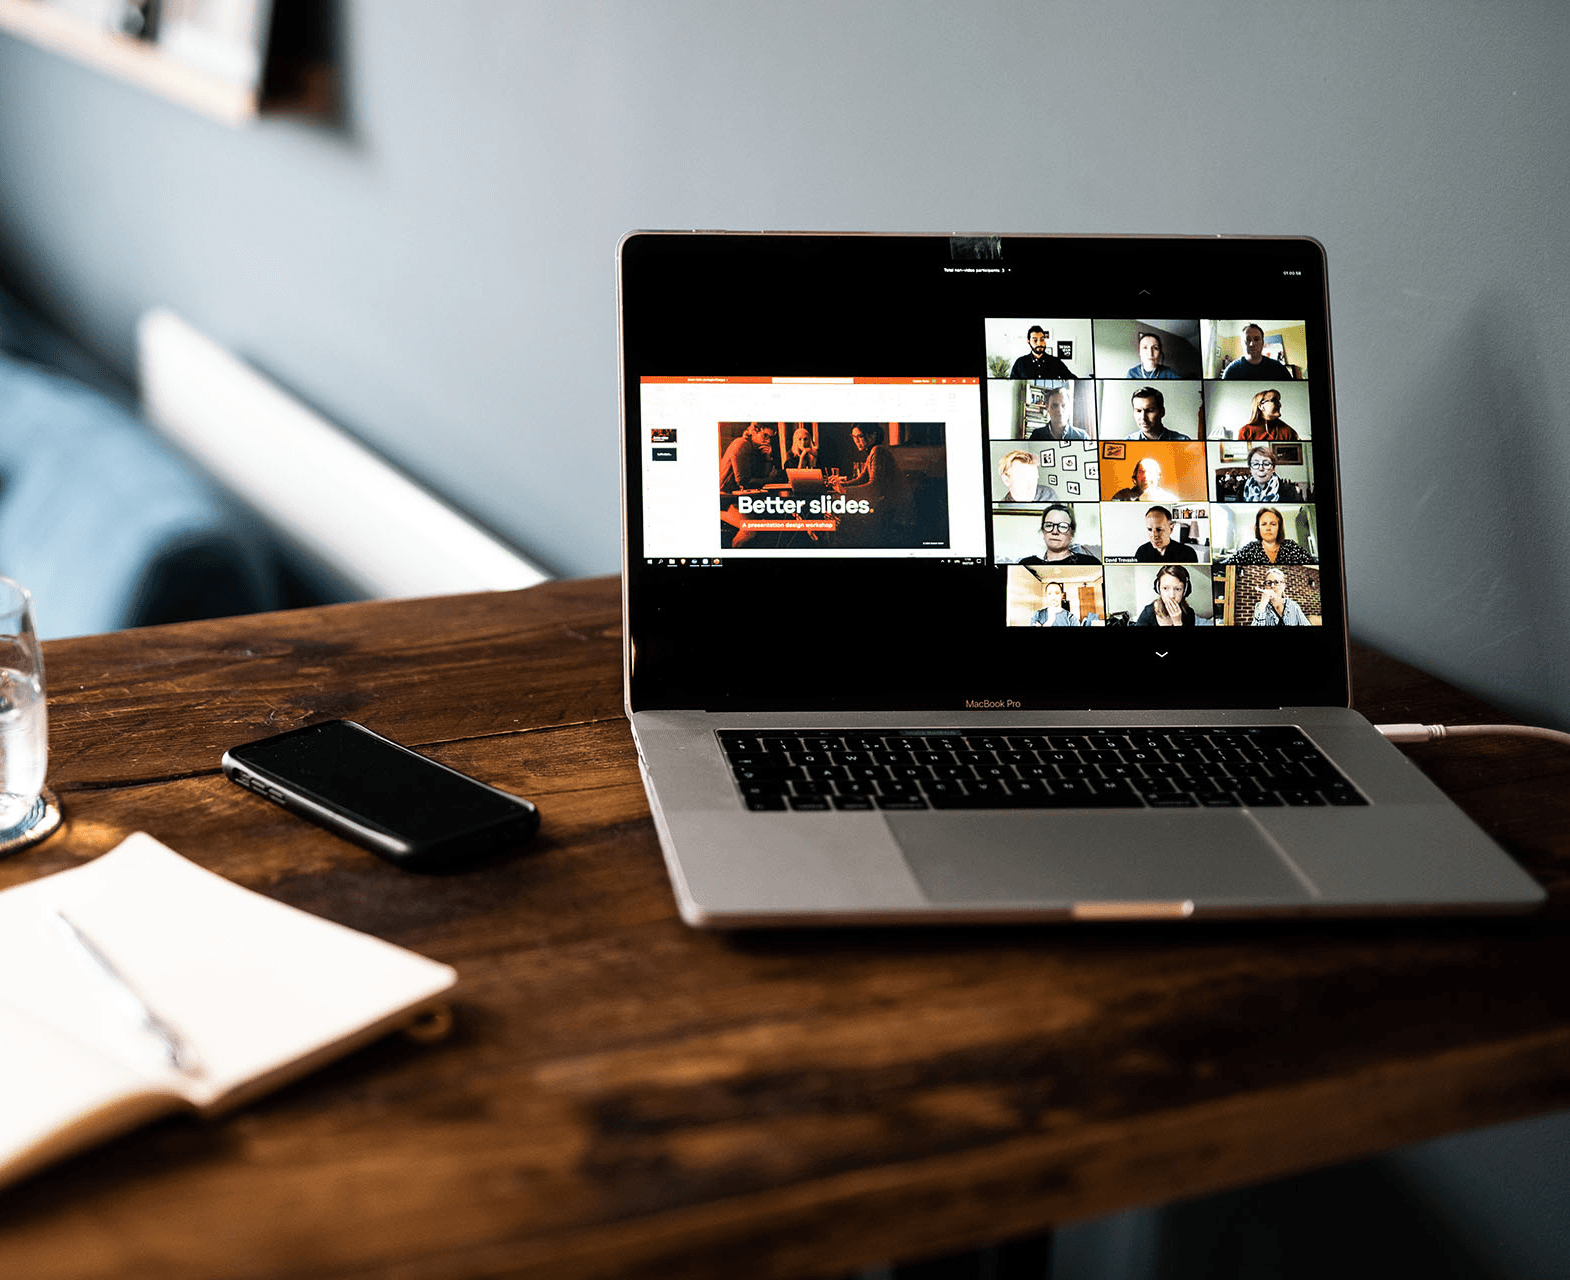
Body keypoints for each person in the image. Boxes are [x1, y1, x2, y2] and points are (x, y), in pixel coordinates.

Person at [831, 423, 913, 543]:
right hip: (890, 509)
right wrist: (842, 484)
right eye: (854, 437)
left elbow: (874, 486)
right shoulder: (874, 452)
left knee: (847, 525)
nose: (856, 441)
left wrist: (845, 490)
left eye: (859, 437)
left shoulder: (878, 451)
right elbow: (862, 479)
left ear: (872, 436)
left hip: (897, 515)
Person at [1228, 506, 1316, 565]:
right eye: (1264, 524)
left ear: (1279, 527)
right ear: (1258, 527)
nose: (1268, 528)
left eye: (1273, 524)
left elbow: (1312, 561)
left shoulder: (1291, 546)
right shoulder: (1249, 549)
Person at [1018, 503, 1101, 565]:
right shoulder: (1026, 563)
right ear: (1043, 532)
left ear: (1071, 534)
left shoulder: (1090, 562)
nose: (1055, 531)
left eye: (1063, 526)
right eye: (1049, 525)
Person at [718, 421, 782, 493]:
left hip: (740, 494)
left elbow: (762, 477)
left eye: (770, 437)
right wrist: (770, 479)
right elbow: (743, 482)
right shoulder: (742, 444)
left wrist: (767, 457)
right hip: (726, 495)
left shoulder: (758, 447)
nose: (768, 441)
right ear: (754, 431)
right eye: (765, 436)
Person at [1222, 324, 1293, 380]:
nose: (1252, 344)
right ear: (1242, 343)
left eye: (1256, 339)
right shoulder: (1231, 371)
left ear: (1262, 343)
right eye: (1248, 340)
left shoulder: (1278, 368)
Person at [1134, 505, 1198, 562]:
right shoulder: (1141, 552)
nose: (1154, 536)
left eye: (1159, 530)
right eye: (1149, 529)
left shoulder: (1188, 553)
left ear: (1171, 528)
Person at [1009, 325, 1077, 379]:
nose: (1039, 343)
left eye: (1042, 339)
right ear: (1029, 342)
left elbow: (1071, 378)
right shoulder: (1019, 363)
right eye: (1035, 340)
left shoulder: (1056, 362)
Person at [1109, 456, 1179, 503]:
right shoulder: (1122, 495)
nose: (1145, 476)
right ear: (1135, 476)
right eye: (1141, 472)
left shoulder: (1169, 498)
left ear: (1158, 476)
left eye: (1151, 472)